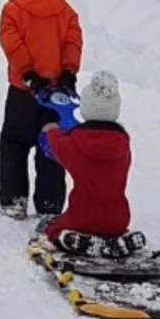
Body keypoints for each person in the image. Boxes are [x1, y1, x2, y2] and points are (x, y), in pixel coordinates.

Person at [0, 0, 82, 219]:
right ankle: (49, 202)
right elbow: (73, 41)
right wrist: (68, 73)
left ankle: (14, 199)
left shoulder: (12, 9)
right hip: (58, 92)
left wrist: (29, 75)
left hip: (24, 91)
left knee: (14, 142)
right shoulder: (64, 9)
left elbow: (12, 45)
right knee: (53, 144)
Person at [39, 71, 131, 248]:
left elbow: (58, 146)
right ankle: (119, 242)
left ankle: (73, 240)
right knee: (113, 226)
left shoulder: (75, 144)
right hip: (118, 218)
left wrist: (52, 130)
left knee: (53, 230)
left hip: (83, 215)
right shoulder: (123, 144)